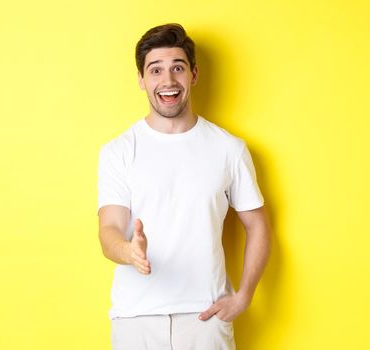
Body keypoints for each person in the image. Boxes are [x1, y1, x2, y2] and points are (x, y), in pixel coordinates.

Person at [97, 23, 272, 350]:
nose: (168, 81)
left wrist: (244, 296)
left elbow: (258, 225)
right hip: (136, 320)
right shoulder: (118, 151)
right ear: (141, 80)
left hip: (206, 318)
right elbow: (108, 229)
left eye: (177, 68)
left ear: (193, 74)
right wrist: (130, 251)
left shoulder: (228, 148)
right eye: (156, 70)